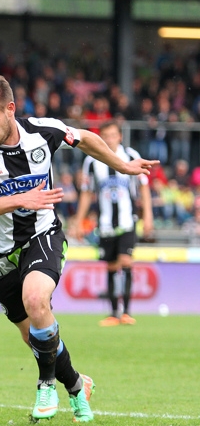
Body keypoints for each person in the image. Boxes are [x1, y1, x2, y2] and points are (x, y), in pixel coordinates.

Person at [0, 73, 158, 423]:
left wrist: (122, 166)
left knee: (37, 301)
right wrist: (22, 198)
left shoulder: (42, 130)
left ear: (10, 109)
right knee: (35, 337)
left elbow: (87, 139)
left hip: (43, 235)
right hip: (1, 254)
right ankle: (77, 385)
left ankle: (46, 383)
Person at [71, 121, 154, 327]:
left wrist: (149, 216)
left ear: (120, 137)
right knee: (110, 265)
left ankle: (126, 312)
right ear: (101, 138)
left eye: (113, 135)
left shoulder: (131, 156)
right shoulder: (92, 161)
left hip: (128, 220)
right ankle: (113, 313)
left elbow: (143, 187)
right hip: (105, 223)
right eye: (105, 135)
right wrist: (79, 222)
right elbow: (87, 193)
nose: (109, 139)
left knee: (126, 262)